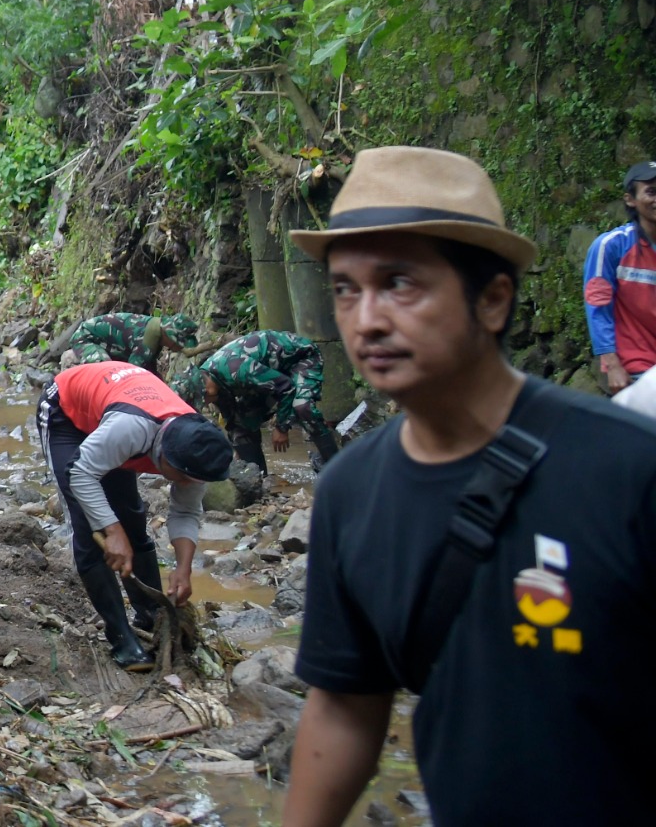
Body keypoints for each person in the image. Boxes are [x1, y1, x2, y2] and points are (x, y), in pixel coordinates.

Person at [283, 148, 656, 827]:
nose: (366, 320)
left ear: (492, 300)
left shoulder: (625, 467)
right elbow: (345, 705)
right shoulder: (350, 492)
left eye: (399, 283)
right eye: (345, 289)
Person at [40, 359, 232, 671]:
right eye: (182, 478)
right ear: (165, 458)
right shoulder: (131, 431)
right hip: (67, 414)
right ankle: (120, 636)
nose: (187, 485)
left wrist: (183, 569)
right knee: (91, 528)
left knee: (131, 517)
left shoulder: (197, 452)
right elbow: (81, 473)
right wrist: (111, 530)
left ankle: (150, 613)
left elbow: (185, 511)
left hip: (115, 414)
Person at [185, 327, 341, 468]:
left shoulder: (237, 370)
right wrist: (240, 450)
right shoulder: (212, 381)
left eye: (204, 399)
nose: (206, 403)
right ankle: (257, 478)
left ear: (206, 388)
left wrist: (281, 427)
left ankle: (334, 463)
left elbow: (286, 387)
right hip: (269, 374)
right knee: (240, 425)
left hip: (300, 359)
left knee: (302, 407)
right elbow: (231, 419)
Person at [583, 159, 656, 393]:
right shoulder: (610, 246)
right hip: (637, 366)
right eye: (651, 192)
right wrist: (612, 364)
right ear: (630, 199)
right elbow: (598, 307)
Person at [53, 310, 199, 375]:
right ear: (169, 335)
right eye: (178, 343)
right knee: (106, 371)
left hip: (112, 346)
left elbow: (150, 371)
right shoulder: (147, 340)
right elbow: (133, 373)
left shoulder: (156, 331)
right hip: (86, 338)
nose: (178, 347)